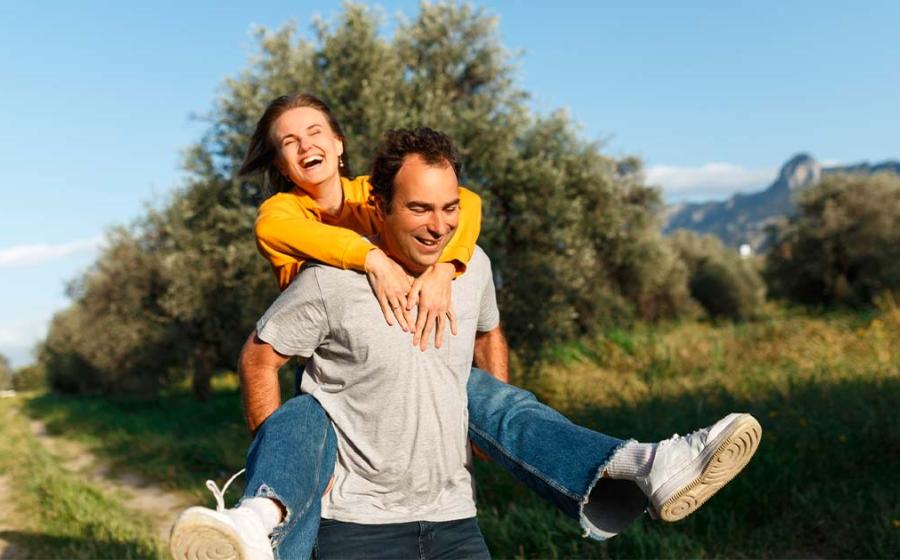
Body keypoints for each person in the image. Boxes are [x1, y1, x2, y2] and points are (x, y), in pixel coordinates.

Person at [169, 121, 762, 560]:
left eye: (444, 208)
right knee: (304, 417)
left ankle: (643, 463)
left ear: (340, 144)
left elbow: (484, 307)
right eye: (288, 142)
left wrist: (443, 271)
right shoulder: (304, 242)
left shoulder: (461, 259)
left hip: (454, 521)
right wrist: (374, 261)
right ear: (381, 207)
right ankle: (260, 517)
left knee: (489, 395)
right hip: (358, 523)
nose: (438, 221)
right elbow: (258, 357)